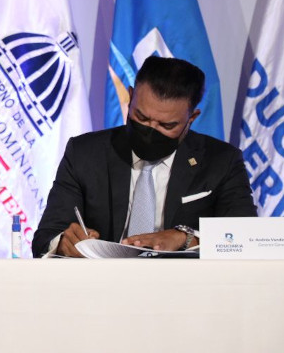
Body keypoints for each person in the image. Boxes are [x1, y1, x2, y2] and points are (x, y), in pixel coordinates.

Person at [33, 56, 257, 257]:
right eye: (141, 117)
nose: (150, 131)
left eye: (166, 126)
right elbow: (45, 238)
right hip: (103, 283)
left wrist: (186, 238)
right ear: (130, 97)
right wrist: (63, 244)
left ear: (191, 118)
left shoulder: (221, 161)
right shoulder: (85, 153)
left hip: (186, 285)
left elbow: (247, 236)